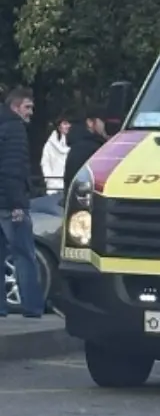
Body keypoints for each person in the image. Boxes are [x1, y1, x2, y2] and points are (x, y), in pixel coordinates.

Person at [0, 85, 44, 318]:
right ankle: (32, 306)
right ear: (15, 107)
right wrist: (17, 204)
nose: (31, 112)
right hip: (10, 204)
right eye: (28, 107)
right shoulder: (16, 129)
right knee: (24, 255)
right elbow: (13, 169)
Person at [64, 107, 107, 196]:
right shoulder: (91, 148)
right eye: (102, 121)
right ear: (90, 122)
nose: (104, 125)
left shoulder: (78, 144)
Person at [41, 113, 71, 195]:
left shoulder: (73, 143)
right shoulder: (49, 145)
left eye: (69, 123)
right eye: (65, 123)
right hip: (54, 188)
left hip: (69, 187)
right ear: (59, 127)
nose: (68, 126)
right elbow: (45, 164)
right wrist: (50, 181)